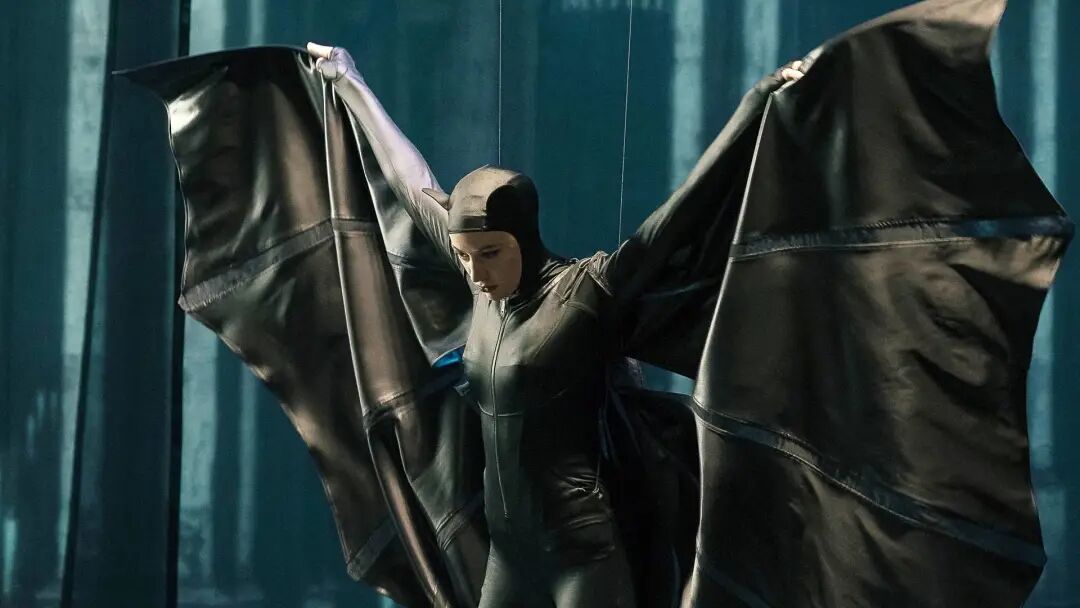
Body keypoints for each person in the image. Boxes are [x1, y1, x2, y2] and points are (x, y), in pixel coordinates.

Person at [304, 42, 804, 607]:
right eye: (464, 256)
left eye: (490, 253)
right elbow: (405, 176)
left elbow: (681, 216)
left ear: (523, 236)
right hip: (509, 557)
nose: (476, 272)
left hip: (581, 555)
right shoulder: (481, 283)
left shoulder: (585, 292)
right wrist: (348, 80)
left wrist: (757, 103)